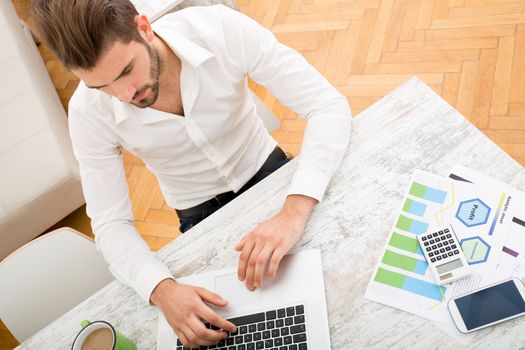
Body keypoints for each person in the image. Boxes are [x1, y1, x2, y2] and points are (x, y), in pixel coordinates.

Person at [32, 0, 351, 347]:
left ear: (144, 28)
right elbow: (110, 225)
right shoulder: (88, 113)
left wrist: (294, 210)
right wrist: (161, 290)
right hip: (199, 216)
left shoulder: (219, 29)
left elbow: (327, 106)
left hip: (271, 172)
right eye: (100, 86)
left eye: (126, 71)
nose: (123, 95)